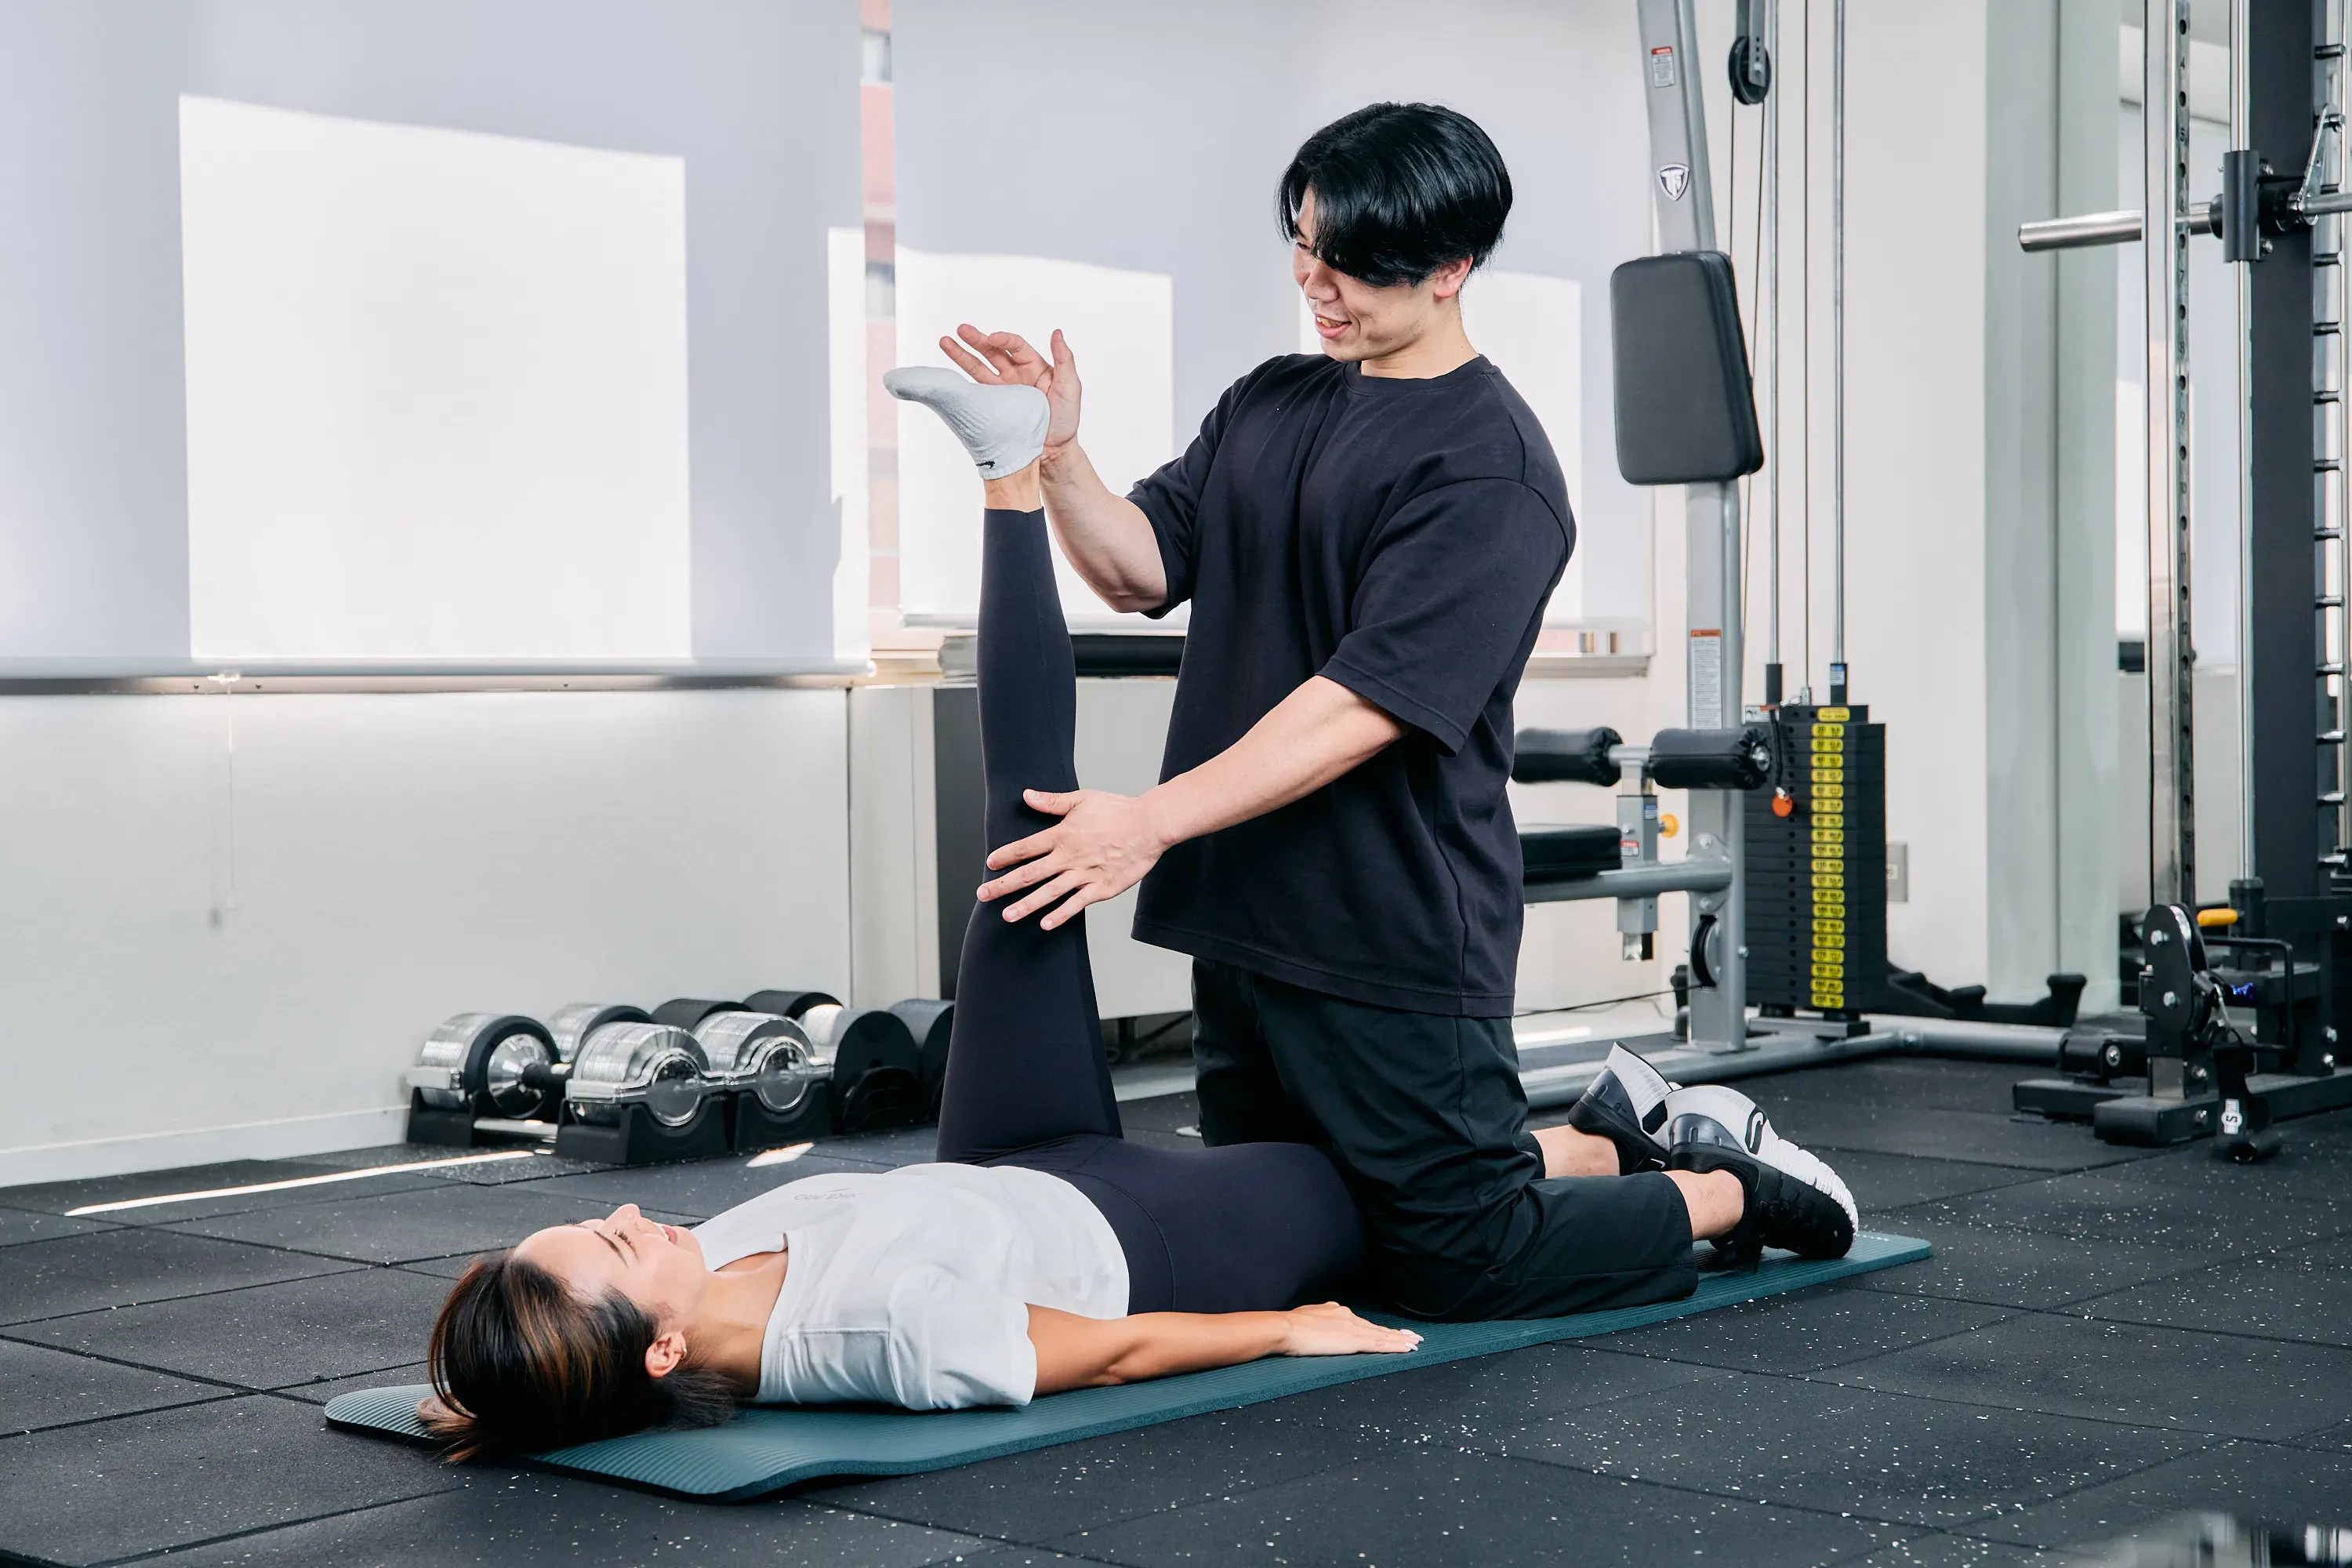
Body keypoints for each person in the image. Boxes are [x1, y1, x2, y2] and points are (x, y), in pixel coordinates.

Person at [416, 373, 1843, 1461]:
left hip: (1011, 1154)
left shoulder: (697, 1276)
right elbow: (1104, 1353)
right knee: (1437, 1244)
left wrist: (490, 1369)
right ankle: (1720, 1180)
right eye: (608, 1249)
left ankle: (999, 469)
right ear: (662, 1354)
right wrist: (1285, 1329)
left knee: (1024, 832)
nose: (619, 1211)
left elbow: (1153, 572)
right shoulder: (882, 1338)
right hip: (1151, 1234)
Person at [930, 101, 1857, 1322]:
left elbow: (1362, 705)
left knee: (1464, 1261)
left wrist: (1147, 821)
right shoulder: (1273, 400)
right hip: (1245, 912)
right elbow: (1140, 566)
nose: (1319, 284)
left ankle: (1727, 1183)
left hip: (1388, 924)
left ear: (1454, 268)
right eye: (1306, 244)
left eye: (1354, 264)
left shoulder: (1494, 468)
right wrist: (1056, 456)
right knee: (1307, 1226)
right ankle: (1611, 1135)